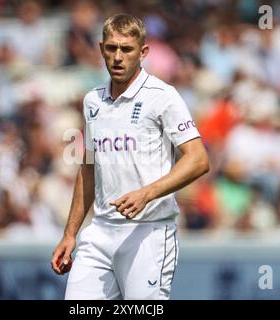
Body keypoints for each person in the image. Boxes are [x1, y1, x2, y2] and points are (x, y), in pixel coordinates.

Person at [51, 13, 210, 300]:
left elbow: (198, 159)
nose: (117, 57)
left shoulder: (163, 96)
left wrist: (146, 194)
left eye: (126, 49)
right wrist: (70, 233)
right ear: (101, 49)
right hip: (99, 232)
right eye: (111, 48)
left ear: (143, 52)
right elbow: (88, 167)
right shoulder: (92, 101)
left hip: (147, 232)